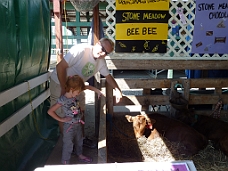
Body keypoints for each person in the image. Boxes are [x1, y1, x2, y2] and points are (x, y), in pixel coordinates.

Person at [50, 37, 122, 148]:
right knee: (63, 114)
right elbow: (60, 67)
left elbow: (108, 76)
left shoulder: (101, 61)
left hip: (77, 87)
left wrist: (118, 90)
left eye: (106, 53)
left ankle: (81, 140)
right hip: (60, 82)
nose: (102, 53)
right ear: (98, 43)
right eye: (102, 48)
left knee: (79, 112)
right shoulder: (81, 50)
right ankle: (69, 144)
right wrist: (64, 89)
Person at [48, 75, 103, 164]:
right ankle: (65, 161)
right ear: (72, 89)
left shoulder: (73, 95)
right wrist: (61, 119)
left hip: (77, 123)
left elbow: (87, 87)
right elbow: (50, 111)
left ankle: (80, 155)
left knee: (79, 140)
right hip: (69, 127)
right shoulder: (63, 100)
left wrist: (97, 91)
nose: (79, 93)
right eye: (78, 91)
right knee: (68, 144)